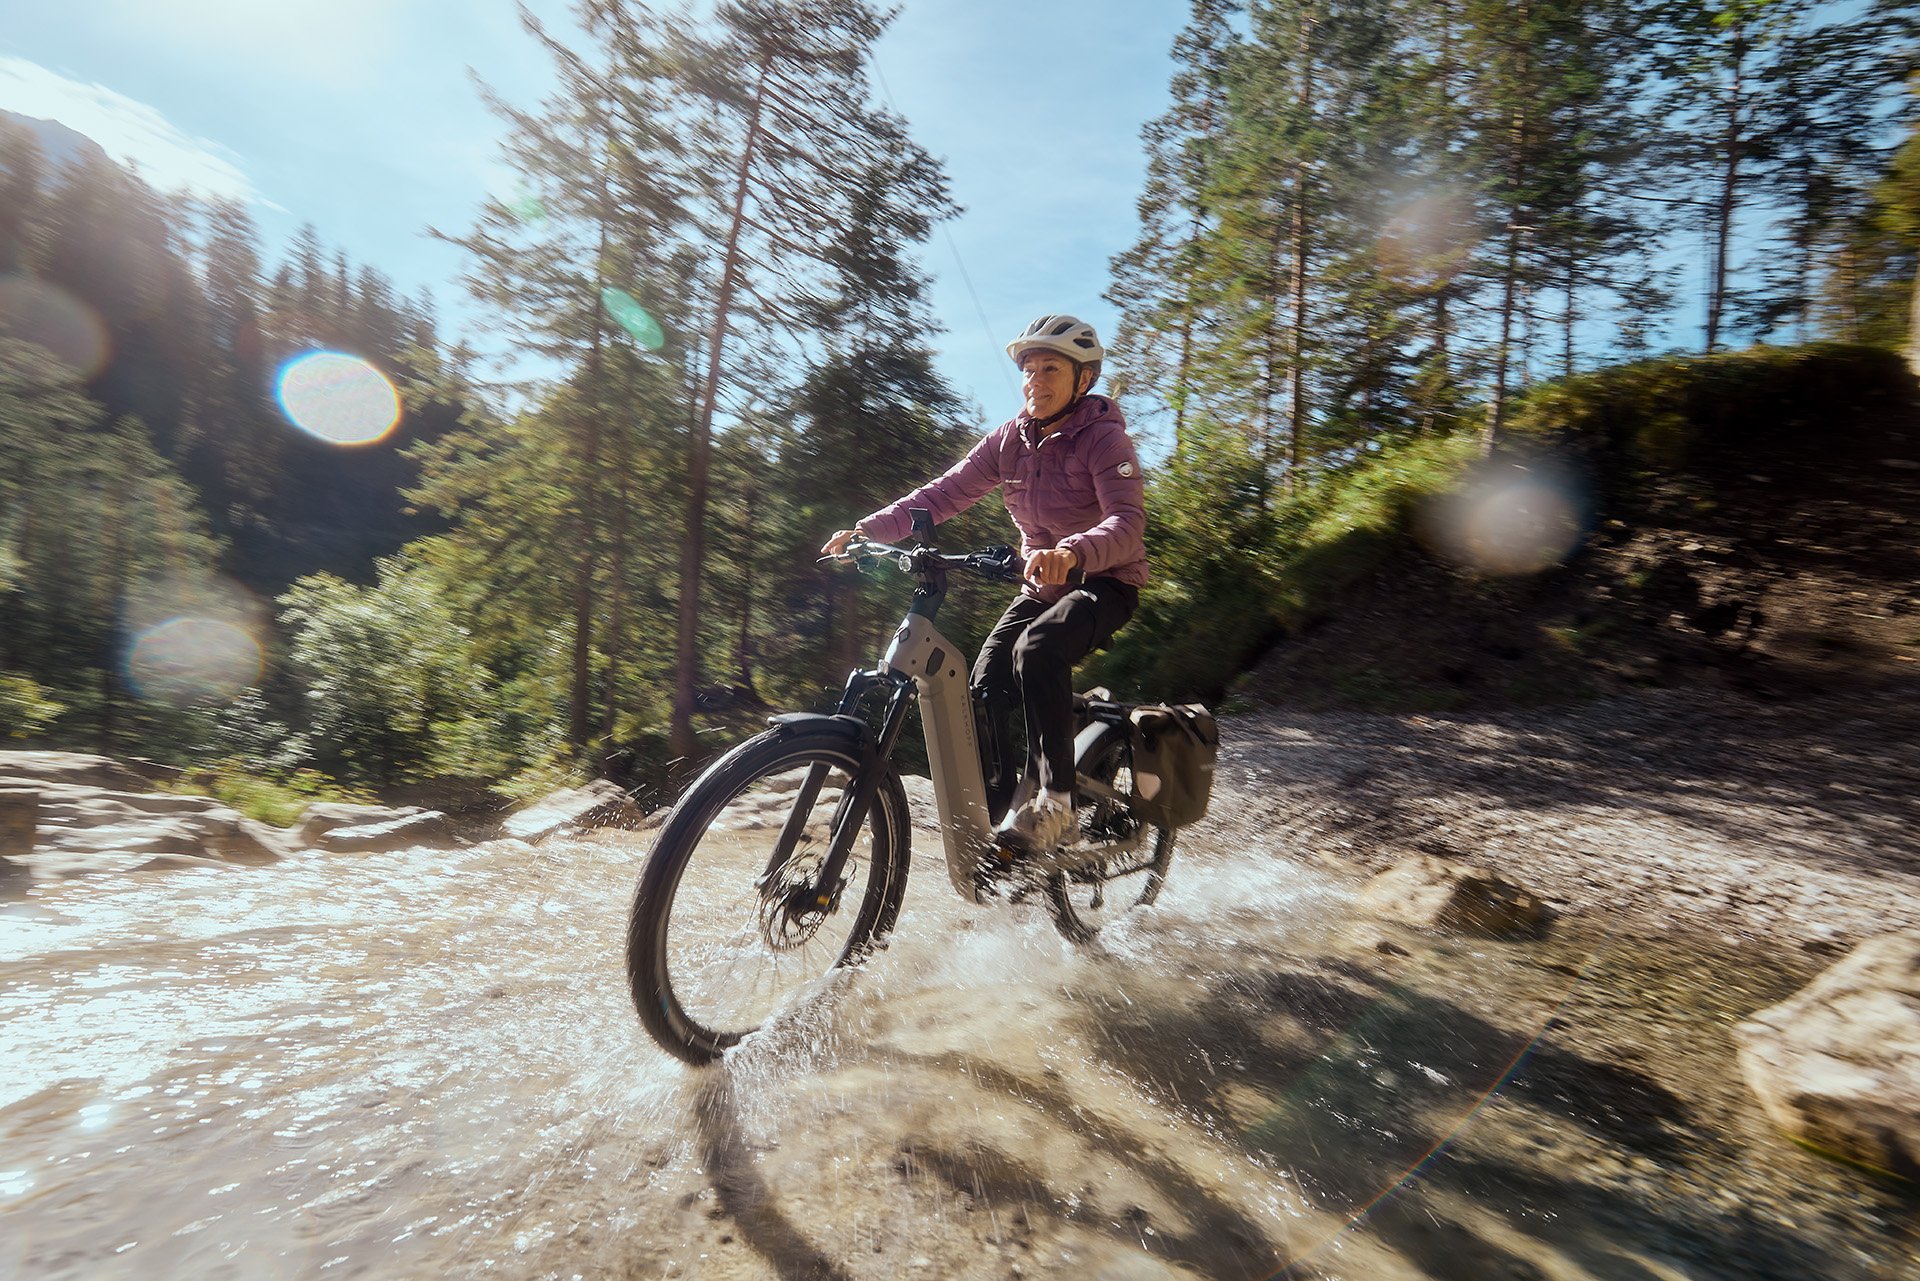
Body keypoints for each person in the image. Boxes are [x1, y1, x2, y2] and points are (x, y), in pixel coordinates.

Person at [821, 314, 1147, 858]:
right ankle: (1001, 812)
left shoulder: (1104, 440)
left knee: (1038, 651)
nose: (1035, 381)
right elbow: (942, 494)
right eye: (1029, 370)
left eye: (1050, 369)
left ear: (1082, 380)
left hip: (1105, 580)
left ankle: (1056, 802)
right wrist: (866, 530)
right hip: (1041, 586)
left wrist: (1072, 551)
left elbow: (1126, 522)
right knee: (988, 681)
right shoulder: (1009, 441)